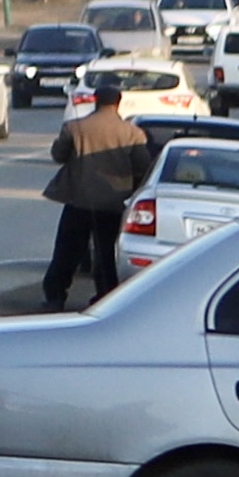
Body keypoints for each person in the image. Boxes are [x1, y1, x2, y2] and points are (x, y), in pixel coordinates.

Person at [42, 75, 154, 309]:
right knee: (106, 253)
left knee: (67, 250)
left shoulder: (75, 127)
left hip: (79, 199)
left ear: (95, 100)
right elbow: (143, 167)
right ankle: (105, 296)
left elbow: (58, 155)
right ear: (118, 103)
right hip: (114, 202)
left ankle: (56, 295)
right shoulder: (132, 133)